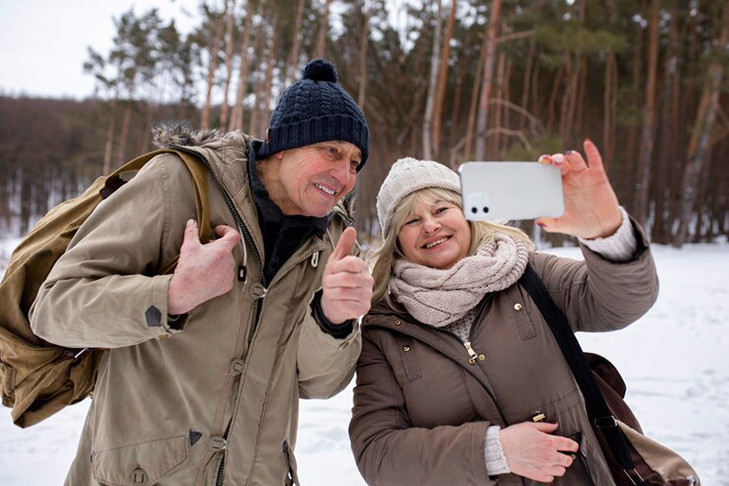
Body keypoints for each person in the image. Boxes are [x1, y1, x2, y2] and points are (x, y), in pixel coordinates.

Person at [29, 59, 373, 485]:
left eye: (355, 162)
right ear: (280, 144)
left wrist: (333, 320)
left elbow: (316, 384)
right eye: (331, 151)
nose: (345, 176)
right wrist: (170, 296)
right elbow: (53, 310)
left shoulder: (334, 238)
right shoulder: (178, 183)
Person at [349, 140, 659, 485]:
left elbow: (621, 303)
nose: (430, 226)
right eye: (411, 220)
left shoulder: (527, 274)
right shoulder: (385, 328)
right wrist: (494, 450)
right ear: (397, 241)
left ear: (467, 213)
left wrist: (606, 233)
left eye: (440, 210)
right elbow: (376, 453)